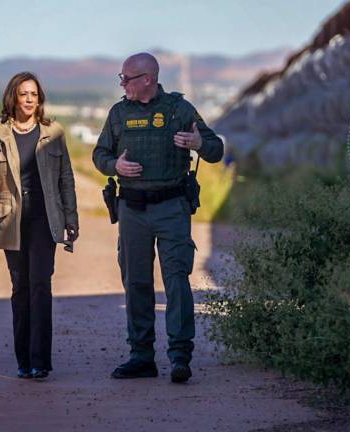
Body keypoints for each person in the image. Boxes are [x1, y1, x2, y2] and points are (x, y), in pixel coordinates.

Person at [92, 52, 224, 383]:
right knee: (136, 282)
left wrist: (197, 143)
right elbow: (100, 154)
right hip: (132, 209)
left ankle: (180, 356)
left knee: (176, 280)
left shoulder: (179, 110)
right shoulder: (119, 113)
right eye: (121, 78)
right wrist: (114, 167)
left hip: (171, 207)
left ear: (148, 79)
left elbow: (216, 148)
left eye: (127, 78)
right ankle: (141, 356)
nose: (122, 84)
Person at [0, 72, 78, 380]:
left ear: (40, 98)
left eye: (34, 94)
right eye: (24, 94)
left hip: (46, 220)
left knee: (40, 286)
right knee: (20, 289)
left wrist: (71, 219)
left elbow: (66, 179)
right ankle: (23, 360)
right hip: (12, 222)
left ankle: (40, 361)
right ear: (13, 98)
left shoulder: (54, 132)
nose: (30, 99)